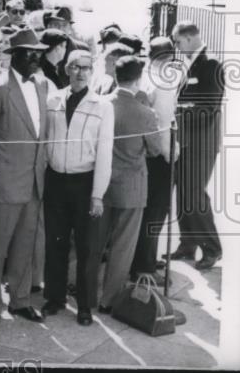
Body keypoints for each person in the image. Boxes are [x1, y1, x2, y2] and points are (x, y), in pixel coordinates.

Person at [0, 29, 50, 325]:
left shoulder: (41, 85)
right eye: (29, 52)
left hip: (34, 181)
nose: (35, 57)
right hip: (5, 185)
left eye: (38, 52)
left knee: (25, 245)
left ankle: (20, 300)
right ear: (14, 55)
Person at [41, 50, 114, 326]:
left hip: (85, 183)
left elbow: (104, 152)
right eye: (75, 67)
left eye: (86, 68)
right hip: (56, 180)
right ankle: (55, 297)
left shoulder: (103, 106)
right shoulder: (53, 100)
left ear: (92, 71)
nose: (81, 72)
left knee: (86, 247)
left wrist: (98, 194)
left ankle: (84, 305)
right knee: (55, 242)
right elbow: (45, 141)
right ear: (66, 69)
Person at [90, 56, 163, 314]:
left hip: (101, 183)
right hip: (131, 186)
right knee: (122, 247)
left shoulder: (101, 103)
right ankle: (108, 300)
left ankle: (86, 293)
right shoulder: (144, 113)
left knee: (95, 241)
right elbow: (155, 150)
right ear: (138, 79)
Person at [168, 23, 224, 270]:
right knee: (183, 194)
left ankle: (212, 249)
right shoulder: (191, 63)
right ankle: (188, 244)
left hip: (201, 141)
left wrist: (176, 114)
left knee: (194, 194)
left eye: (178, 43)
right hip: (186, 140)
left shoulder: (211, 63)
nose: (177, 48)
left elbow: (209, 107)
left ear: (189, 38)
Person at [132, 37, 184, 277]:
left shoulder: (145, 74)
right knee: (155, 211)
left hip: (140, 152)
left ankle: (143, 260)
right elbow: (163, 122)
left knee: (144, 211)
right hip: (158, 155)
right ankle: (145, 267)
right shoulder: (164, 80)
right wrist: (170, 153)